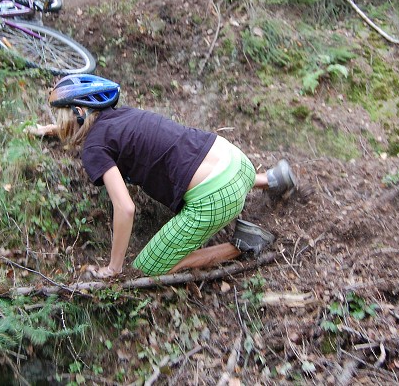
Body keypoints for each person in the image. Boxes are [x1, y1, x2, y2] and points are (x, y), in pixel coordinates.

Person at [29, 74, 297, 279]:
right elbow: (82, 128)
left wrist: (114, 268)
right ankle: (271, 179)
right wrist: (49, 130)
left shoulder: (94, 149)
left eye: (60, 117)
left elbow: (125, 208)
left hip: (217, 196)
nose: (59, 122)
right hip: (236, 160)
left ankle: (243, 245)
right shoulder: (122, 116)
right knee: (185, 155)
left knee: (149, 267)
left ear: (78, 113)